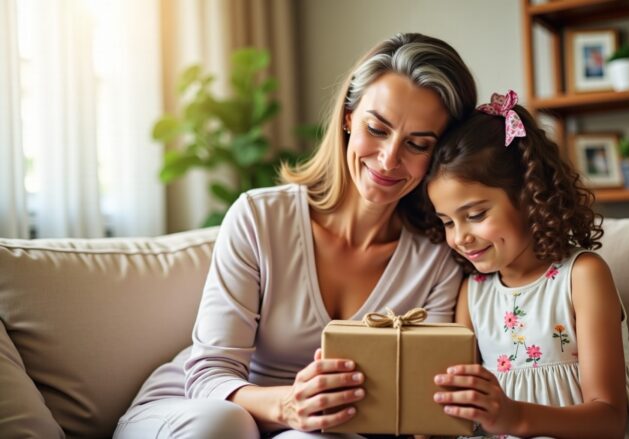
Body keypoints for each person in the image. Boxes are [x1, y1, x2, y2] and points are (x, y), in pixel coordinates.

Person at [114, 33, 477, 438]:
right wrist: (289, 406)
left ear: (440, 154)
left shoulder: (435, 259)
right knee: (226, 424)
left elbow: (418, 407)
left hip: (319, 431)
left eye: (417, 144)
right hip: (197, 411)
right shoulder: (260, 217)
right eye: (377, 128)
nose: (389, 158)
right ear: (348, 117)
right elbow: (207, 377)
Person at [424, 90, 629, 438]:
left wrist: (516, 417)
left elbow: (608, 419)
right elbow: (462, 406)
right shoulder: (473, 294)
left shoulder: (582, 276)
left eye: (475, 215)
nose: (460, 237)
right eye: (448, 222)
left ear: (530, 196)